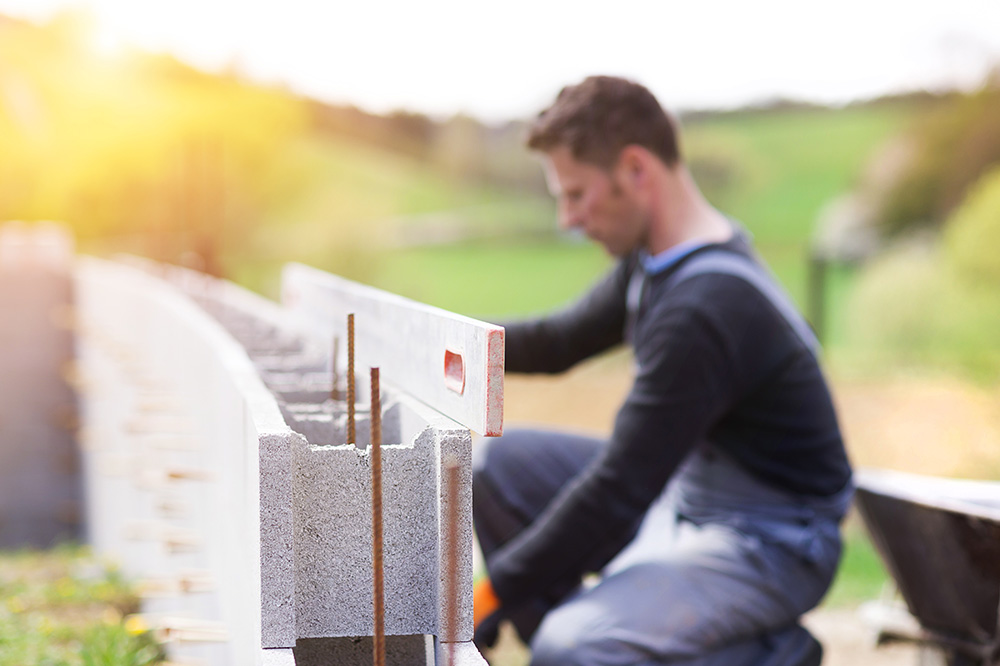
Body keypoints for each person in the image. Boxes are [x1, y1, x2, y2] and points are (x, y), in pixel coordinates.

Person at [471, 76, 853, 666]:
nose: (568, 219)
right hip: (691, 496)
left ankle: (764, 653)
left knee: (571, 647)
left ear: (636, 170)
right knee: (501, 466)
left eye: (575, 194)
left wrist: (486, 596)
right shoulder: (655, 261)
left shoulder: (704, 308)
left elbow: (618, 489)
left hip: (774, 538)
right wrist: (432, 339)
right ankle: (633, 637)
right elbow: (557, 342)